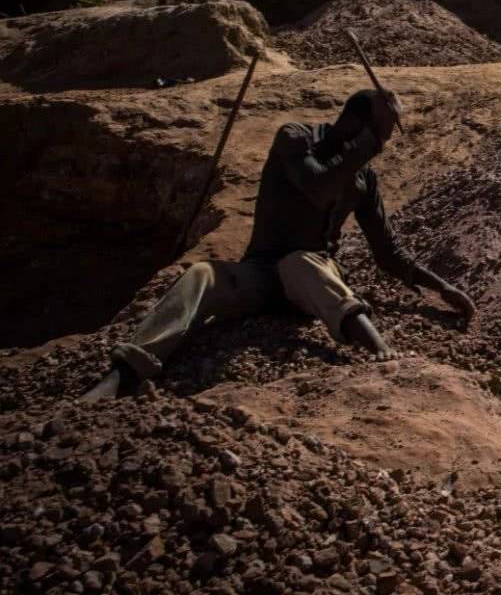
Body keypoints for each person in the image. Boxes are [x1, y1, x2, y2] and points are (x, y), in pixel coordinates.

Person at [80, 90, 477, 402]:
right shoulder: (295, 138)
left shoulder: (364, 178)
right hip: (261, 274)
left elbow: (387, 251)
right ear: (355, 122)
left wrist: (441, 287)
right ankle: (127, 371)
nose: (381, 146)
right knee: (201, 274)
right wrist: (359, 151)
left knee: (301, 262)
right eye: (380, 135)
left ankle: (377, 345)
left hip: (309, 279)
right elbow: (316, 187)